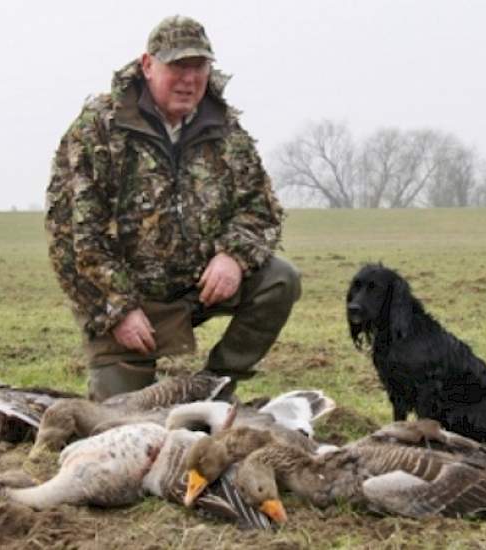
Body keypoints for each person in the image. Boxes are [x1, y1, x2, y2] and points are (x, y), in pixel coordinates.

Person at [45, 15, 301, 401]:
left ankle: (215, 385)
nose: (188, 79)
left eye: (197, 67)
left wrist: (233, 255)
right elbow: (74, 239)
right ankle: (127, 367)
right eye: (176, 66)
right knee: (121, 420)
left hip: (197, 288)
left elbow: (260, 209)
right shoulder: (98, 131)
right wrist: (118, 309)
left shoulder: (226, 131)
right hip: (132, 302)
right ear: (147, 65)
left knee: (280, 279)